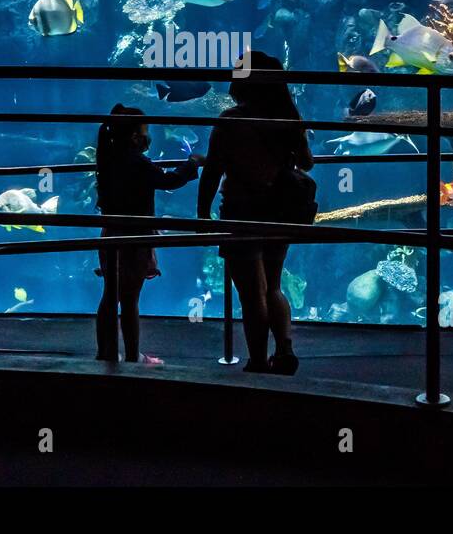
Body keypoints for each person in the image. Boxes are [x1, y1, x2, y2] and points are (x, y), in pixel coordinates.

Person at [197, 52, 313, 375]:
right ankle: (285, 348)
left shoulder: (229, 122)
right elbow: (307, 164)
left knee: (251, 293)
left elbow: (211, 173)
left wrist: (202, 214)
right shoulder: (288, 118)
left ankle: (259, 362)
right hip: (279, 211)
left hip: (240, 212)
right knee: (273, 285)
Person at [95, 104, 201, 364]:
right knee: (130, 299)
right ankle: (132, 356)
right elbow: (169, 181)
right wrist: (192, 164)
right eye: (146, 131)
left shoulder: (108, 159)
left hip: (110, 234)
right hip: (135, 239)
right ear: (134, 137)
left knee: (110, 295)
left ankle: (106, 351)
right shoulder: (138, 163)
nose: (149, 136)